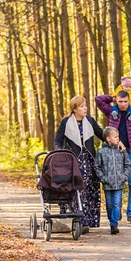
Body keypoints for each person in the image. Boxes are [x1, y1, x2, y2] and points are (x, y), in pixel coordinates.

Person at [95, 90, 131, 224]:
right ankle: (117, 212)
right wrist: (112, 97)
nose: (123, 104)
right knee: (117, 182)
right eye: (120, 101)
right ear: (117, 101)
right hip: (115, 153)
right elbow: (98, 99)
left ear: (129, 101)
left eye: (125, 101)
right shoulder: (111, 111)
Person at [54, 96, 104, 234]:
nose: (85, 108)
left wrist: (115, 139)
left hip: (89, 161)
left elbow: (102, 134)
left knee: (88, 190)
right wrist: (59, 151)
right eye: (82, 106)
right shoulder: (66, 122)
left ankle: (86, 221)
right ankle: (78, 220)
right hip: (73, 160)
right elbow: (58, 140)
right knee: (77, 189)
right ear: (75, 108)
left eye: (86, 105)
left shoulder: (90, 121)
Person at [94, 127, 131, 235]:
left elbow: (127, 164)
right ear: (108, 139)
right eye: (115, 137)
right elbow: (97, 167)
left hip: (119, 183)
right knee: (109, 205)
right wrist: (103, 178)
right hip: (107, 184)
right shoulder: (101, 152)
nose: (118, 139)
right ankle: (112, 219)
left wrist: (124, 177)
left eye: (118, 136)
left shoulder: (121, 151)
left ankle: (114, 224)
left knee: (116, 203)